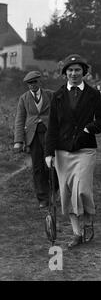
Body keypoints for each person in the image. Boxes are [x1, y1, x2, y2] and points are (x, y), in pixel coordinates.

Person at [45, 54, 101, 249]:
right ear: (65, 73)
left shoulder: (93, 94)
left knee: (81, 190)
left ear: (84, 72)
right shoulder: (57, 95)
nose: (74, 73)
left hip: (85, 149)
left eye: (77, 70)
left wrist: (89, 128)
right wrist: (48, 153)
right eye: (70, 70)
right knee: (66, 193)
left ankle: (88, 219)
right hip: (62, 151)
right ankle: (77, 233)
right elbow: (52, 126)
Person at [13, 71, 57, 208]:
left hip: (49, 134)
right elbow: (19, 119)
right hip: (33, 137)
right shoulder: (24, 98)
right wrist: (18, 141)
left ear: (40, 82)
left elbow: (60, 113)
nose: (32, 85)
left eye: (34, 82)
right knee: (38, 167)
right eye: (29, 83)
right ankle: (43, 198)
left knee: (51, 165)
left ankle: (54, 192)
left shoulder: (50, 94)